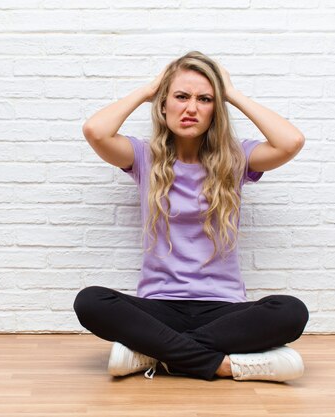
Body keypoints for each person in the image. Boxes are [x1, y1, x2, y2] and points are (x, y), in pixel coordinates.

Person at [73, 51, 309, 382]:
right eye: (181, 96)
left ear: (216, 109)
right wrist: (148, 90)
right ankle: (226, 365)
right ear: (164, 104)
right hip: (159, 308)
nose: (191, 108)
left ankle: (150, 354)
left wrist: (233, 94)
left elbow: (291, 141)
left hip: (223, 309)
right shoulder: (145, 157)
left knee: (291, 312)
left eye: (205, 99)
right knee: (90, 301)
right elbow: (95, 131)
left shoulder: (236, 158)